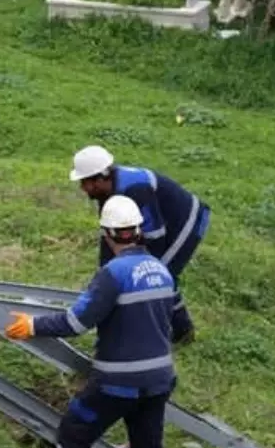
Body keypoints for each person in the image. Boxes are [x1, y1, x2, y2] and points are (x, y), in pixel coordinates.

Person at [6, 195, 176, 448]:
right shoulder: (161, 271)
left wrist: (33, 325)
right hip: (158, 378)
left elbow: (76, 323)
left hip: (119, 381)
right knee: (148, 443)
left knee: (75, 430)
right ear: (138, 231)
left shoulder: (113, 274)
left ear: (108, 234)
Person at [68, 144, 209, 345]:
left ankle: (182, 331)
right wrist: (106, 276)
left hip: (185, 221)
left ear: (101, 177)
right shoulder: (106, 193)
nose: (83, 188)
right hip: (159, 225)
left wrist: (138, 269)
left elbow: (155, 237)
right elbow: (109, 236)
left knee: (161, 272)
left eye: (85, 182)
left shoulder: (136, 189)